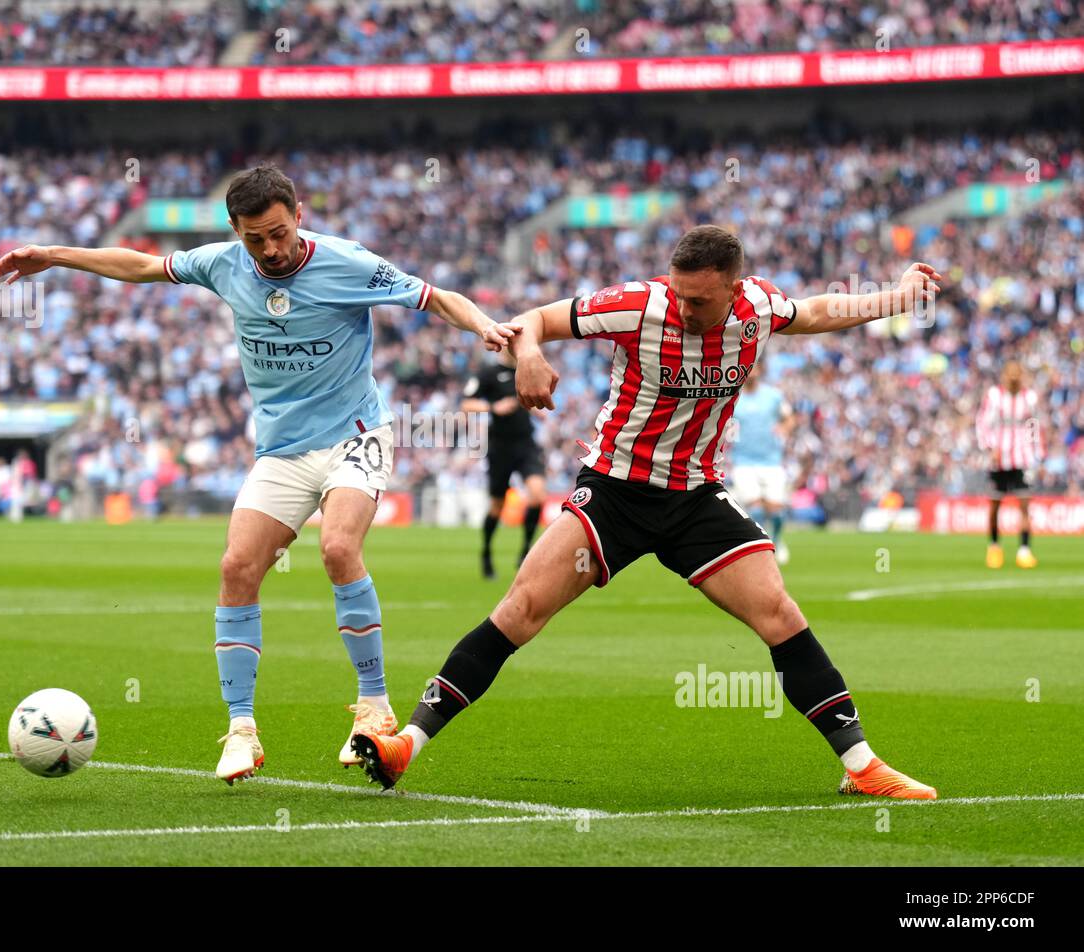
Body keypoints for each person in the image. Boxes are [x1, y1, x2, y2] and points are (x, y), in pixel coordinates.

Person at [352, 225, 942, 801]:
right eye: (679, 294)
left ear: (735, 291)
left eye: (699, 299)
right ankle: (408, 742)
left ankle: (861, 766)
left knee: (780, 614)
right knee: (521, 609)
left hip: (693, 497)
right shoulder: (639, 305)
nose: (684, 308)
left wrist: (895, 296)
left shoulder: (759, 305)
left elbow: (814, 312)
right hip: (615, 491)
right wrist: (527, 354)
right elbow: (536, 319)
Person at [0, 165, 517, 784]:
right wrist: (54, 256)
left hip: (356, 436)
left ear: (297, 214)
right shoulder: (222, 264)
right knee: (237, 567)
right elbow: (139, 265)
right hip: (282, 450)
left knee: (338, 546)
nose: (269, 249)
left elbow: (435, 297)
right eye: (254, 239)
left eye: (278, 233)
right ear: (235, 232)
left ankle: (374, 708)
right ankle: (242, 729)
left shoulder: (347, 263)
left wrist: (485, 324)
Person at [461, 357, 546, 578]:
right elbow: (466, 404)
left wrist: (535, 408)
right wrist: (493, 407)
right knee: (497, 505)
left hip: (526, 443)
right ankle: (486, 552)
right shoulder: (488, 372)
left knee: (537, 494)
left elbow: (531, 398)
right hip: (500, 446)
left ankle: (525, 552)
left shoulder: (527, 369)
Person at [977, 361, 1041, 569]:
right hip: (998, 459)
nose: (1013, 377)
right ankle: (994, 547)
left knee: (1025, 505)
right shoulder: (994, 396)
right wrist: (989, 447)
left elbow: (1034, 426)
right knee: (995, 506)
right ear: (1004, 375)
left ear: (1021, 375)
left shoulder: (1030, 398)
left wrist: (1037, 455)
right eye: (1010, 373)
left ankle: (1024, 550)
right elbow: (982, 423)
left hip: (1022, 459)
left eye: (1017, 373)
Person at [728, 373, 795, 564]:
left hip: (771, 461)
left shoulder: (773, 396)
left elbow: (789, 418)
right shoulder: (734, 395)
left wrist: (784, 429)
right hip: (743, 462)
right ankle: (762, 546)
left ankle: (778, 540)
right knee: (756, 510)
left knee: (777, 512)